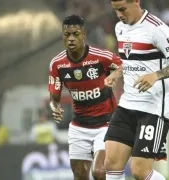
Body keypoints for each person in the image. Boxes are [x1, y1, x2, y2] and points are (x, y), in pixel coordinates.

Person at [104, 0, 169, 180]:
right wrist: (117, 73)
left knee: (140, 172)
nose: (119, 14)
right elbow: (129, 61)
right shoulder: (120, 28)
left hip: (152, 110)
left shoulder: (156, 29)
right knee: (111, 163)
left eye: (122, 9)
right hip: (127, 105)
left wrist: (155, 75)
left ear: (136, 2)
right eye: (115, 10)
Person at [48, 15, 122, 180]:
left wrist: (115, 76)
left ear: (84, 34)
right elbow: (54, 98)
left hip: (106, 124)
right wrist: (55, 108)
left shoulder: (100, 56)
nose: (71, 39)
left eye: (75, 33)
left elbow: (122, 65)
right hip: (79, 126)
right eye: (67, 35)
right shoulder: (57, 64)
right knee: (80, 175)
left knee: (99, 172)